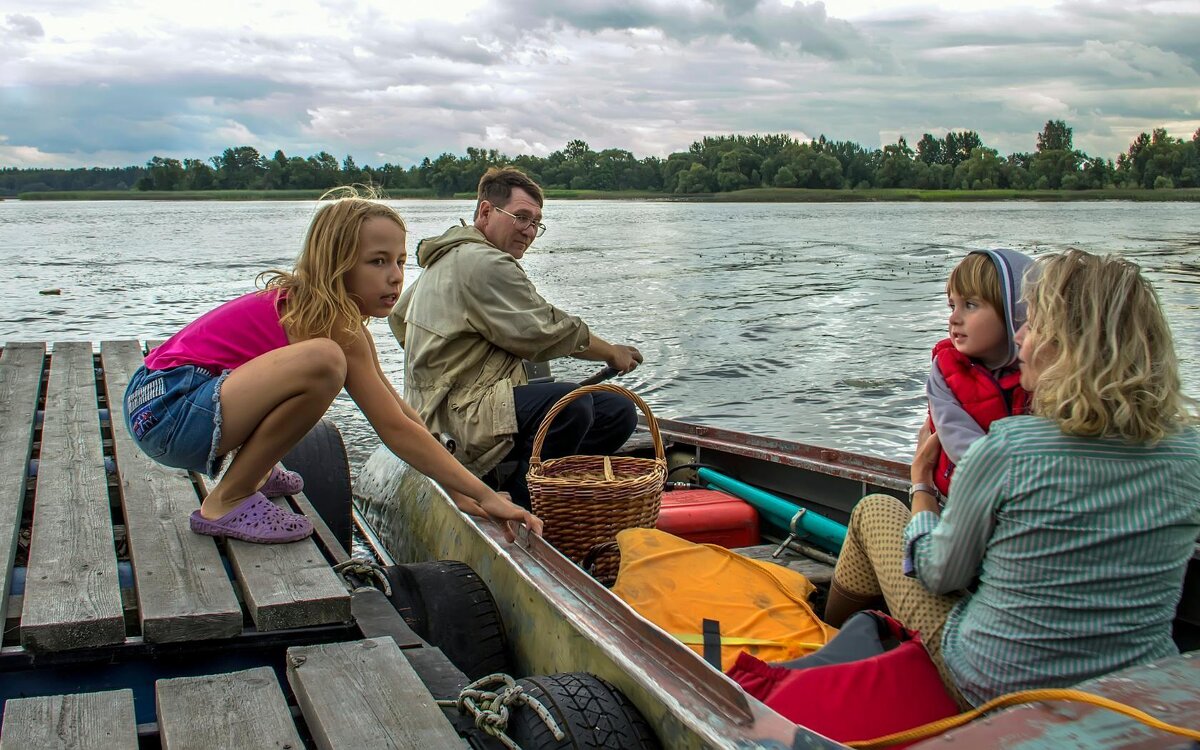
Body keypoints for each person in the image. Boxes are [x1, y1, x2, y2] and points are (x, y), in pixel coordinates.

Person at [824, 249, 1200, 708]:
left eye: (1035, 324)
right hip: (1137, 684)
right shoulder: (1190, 452)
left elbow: (939, 575)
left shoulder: (1008, 448)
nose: (1021, 335)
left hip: (998, 684)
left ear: (1068, 346)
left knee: (874, 511)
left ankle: (824, 646)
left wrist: (921, 482)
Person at [122, 188, 542, 544]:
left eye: (399, 261)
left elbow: (400, 413)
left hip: (157, 402)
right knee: (323, 363)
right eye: (377, 262)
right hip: (167, 409)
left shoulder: (333, 318)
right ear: (337, 264)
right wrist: (486, 495)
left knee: (323, 363)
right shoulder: (329, 326)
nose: (395, 277)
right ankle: (227, 500)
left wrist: (463, 489)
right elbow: (393, 429)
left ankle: (253, 474)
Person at [390, 167, 643, 508]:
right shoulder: (484, 262)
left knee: (618, 410)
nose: (529, 231)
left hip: (470, 401)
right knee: (571, 406)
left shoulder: (445, 259)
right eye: (521, 217)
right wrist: (611, 352)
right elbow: (546, 330)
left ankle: (539, 482)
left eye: (536, 222)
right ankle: (526, 502)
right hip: (453, 417)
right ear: (485, 212)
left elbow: (398, 320)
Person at [926, 248, 1033, 498]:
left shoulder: (1039, 370)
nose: (954, 318)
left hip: (1026, 496)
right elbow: (957, 439)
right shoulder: (945, 368)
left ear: (1016, 311)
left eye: (970, 305)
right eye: (952, 306)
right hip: (962, 496)